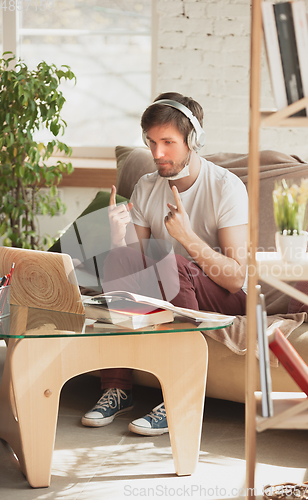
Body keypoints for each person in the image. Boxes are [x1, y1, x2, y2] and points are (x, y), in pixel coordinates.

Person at [81, 92, 248, 435]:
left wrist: (187, 238)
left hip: (225, 294)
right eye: (151, 142)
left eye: (168, 142)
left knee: (171, 263)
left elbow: (235, 278)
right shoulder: (146, 186)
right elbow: (133, 266)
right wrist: (116, 237)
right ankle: (118, 389)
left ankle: (180, 394)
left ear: (193, 141)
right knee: (122, 258)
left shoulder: (225, 187)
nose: (157, 153)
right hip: (170, 283)